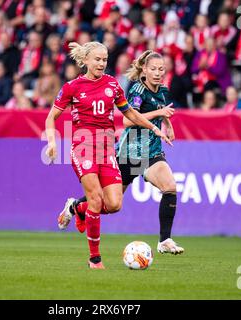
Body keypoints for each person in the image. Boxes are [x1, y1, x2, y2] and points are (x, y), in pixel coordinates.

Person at [45, 43, 171, 269]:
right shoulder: (72, 87)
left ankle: (75, 208)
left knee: (113, 205)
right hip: (83, 147)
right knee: (95, 199)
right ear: (85, 61)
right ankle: (95, 259)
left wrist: (154, 128)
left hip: (106, 149)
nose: (102, 64)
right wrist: (52, 141)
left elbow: (130, 113)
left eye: (104, 59)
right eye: (97, 59)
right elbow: (51, 117)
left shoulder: (113, 84)